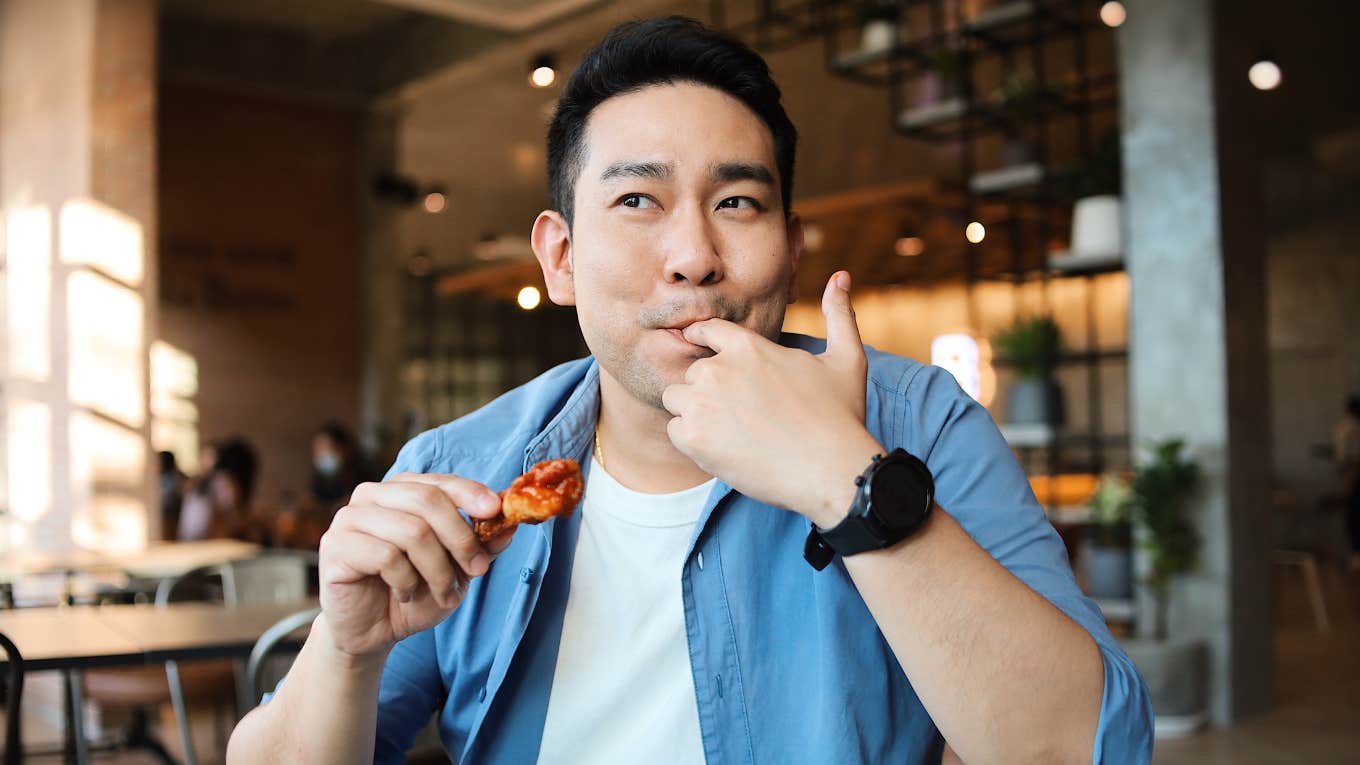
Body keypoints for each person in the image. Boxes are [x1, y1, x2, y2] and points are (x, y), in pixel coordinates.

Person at [228, 17, 1151, 765]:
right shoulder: (460, 473)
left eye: (738, 202)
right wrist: (346, 653)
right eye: (637, 202)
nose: (694, 257)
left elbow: (1083, 747)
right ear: (560, 256)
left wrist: (849, 477)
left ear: (791, 247)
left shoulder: (916, 424)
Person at [1335, 395, 1360, 569]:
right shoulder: (1351, 428)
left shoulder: (1347, 428)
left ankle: (1356, 554)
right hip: (1354, 473)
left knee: (1353, 515)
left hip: (1353, 473)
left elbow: (1350, 458)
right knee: (1354, 514)